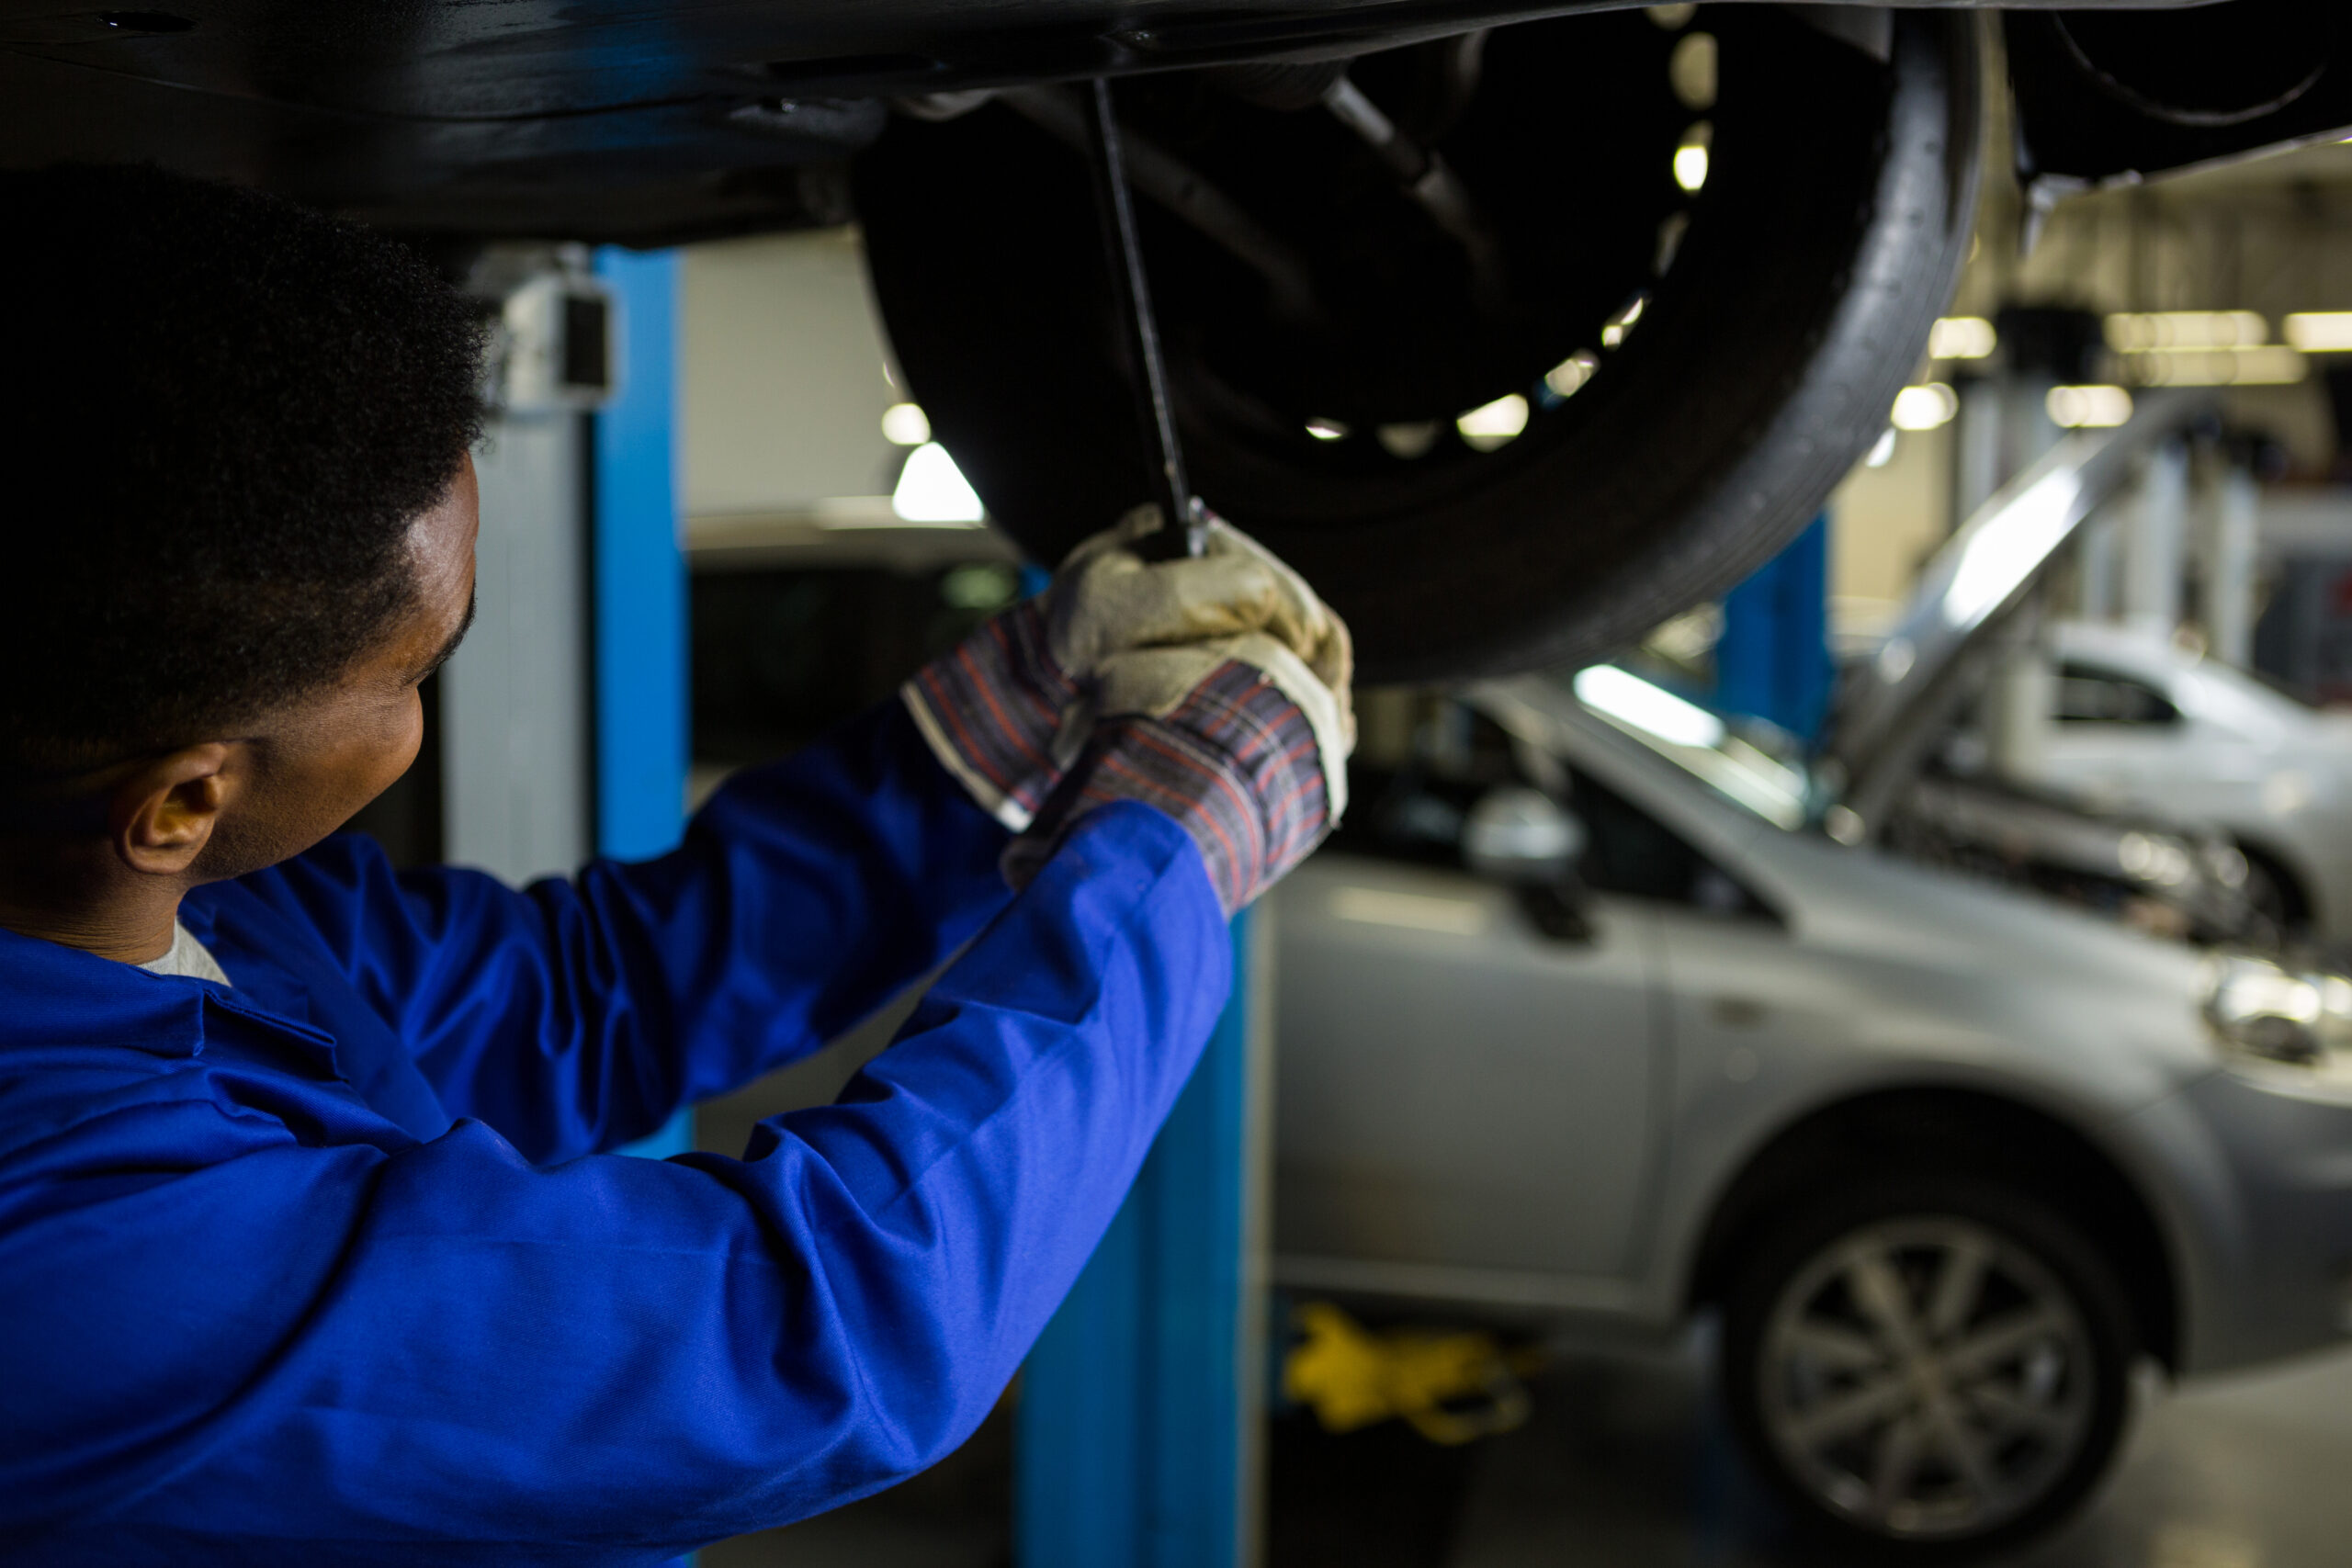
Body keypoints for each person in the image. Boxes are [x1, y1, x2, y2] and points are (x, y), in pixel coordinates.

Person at [0, 164, 1353, 1564]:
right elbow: (810, 1334)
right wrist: (1162, 859)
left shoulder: (212, 912)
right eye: (416, 672)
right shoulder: (73, 1252)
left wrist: (995, 731)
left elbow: (592, 996)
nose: (433, 699)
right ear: (178, 798)